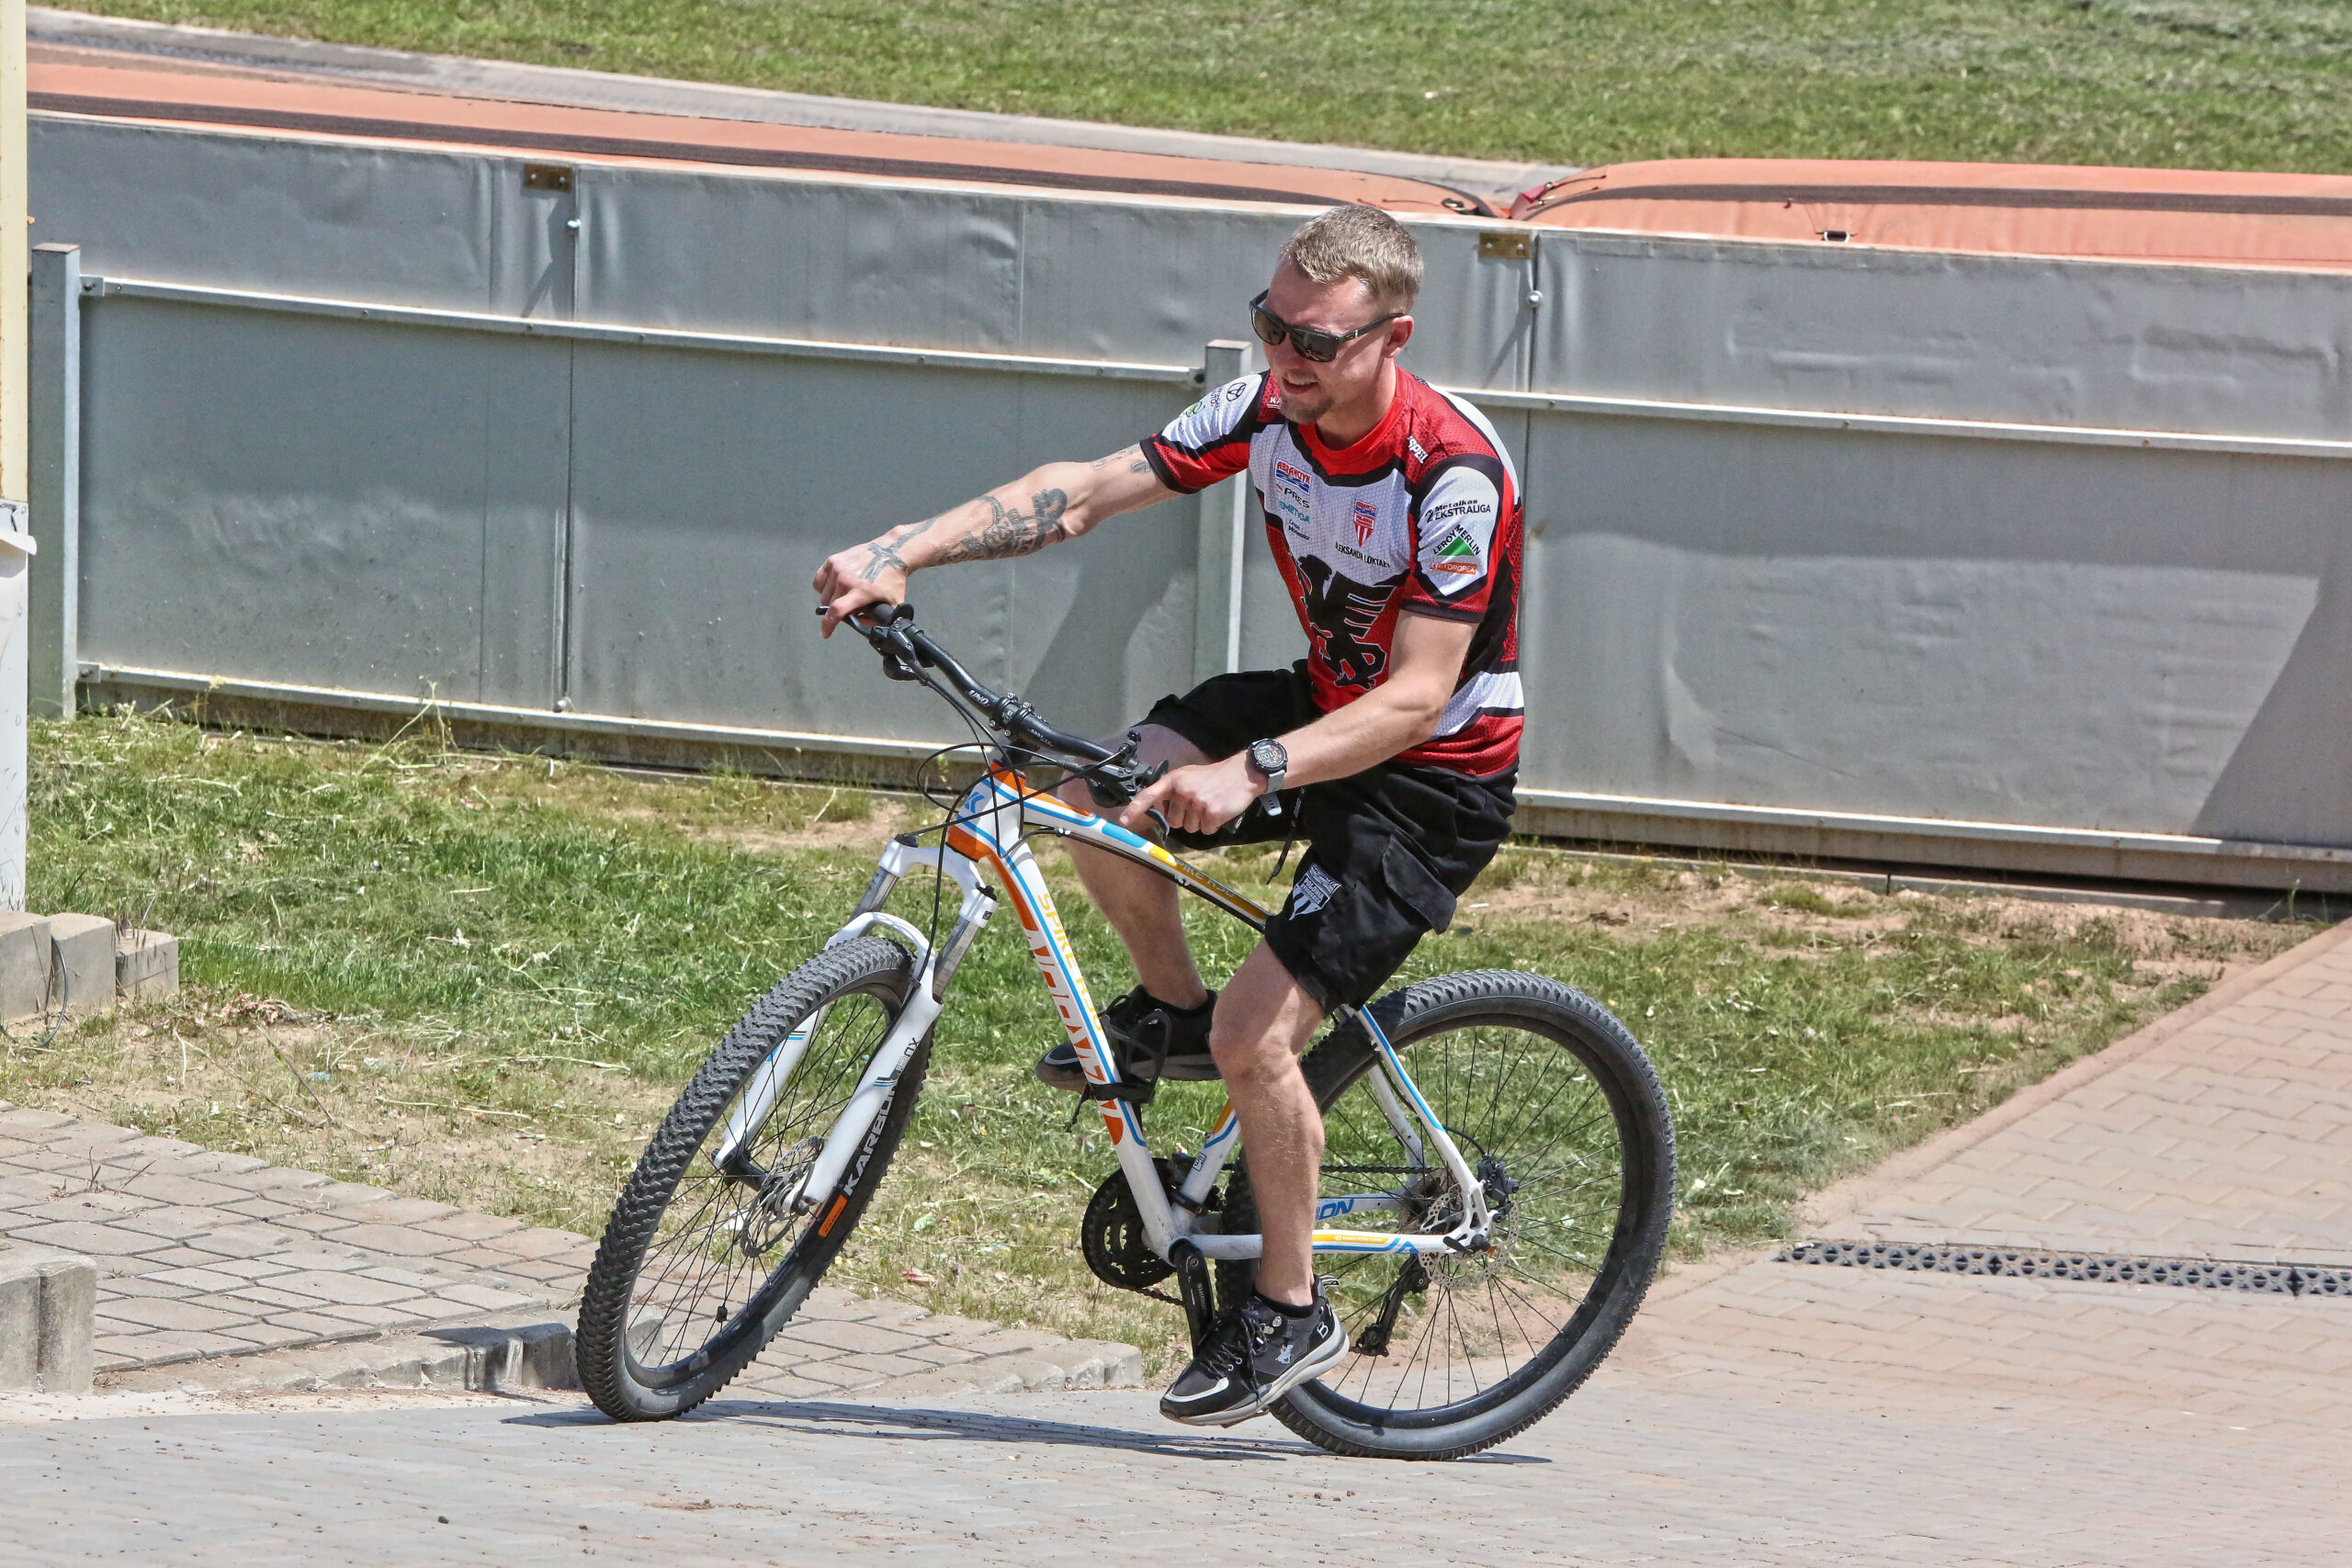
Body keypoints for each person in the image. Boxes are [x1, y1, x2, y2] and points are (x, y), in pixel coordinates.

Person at [812, 204, 1523, 1427]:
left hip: (1432, 770)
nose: (1285, 358)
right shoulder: (1265, 409)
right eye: (1269, 327)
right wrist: (901, 550)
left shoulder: (1450, 478)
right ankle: (1173, 1014)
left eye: (1315, 342)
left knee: (1267, 1038)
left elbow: (1416, 698)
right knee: (1093, 792)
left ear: (1391, 338)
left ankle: (1288, 1311)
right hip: (1318, 703)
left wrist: (1253, 771)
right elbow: (1082, 492)